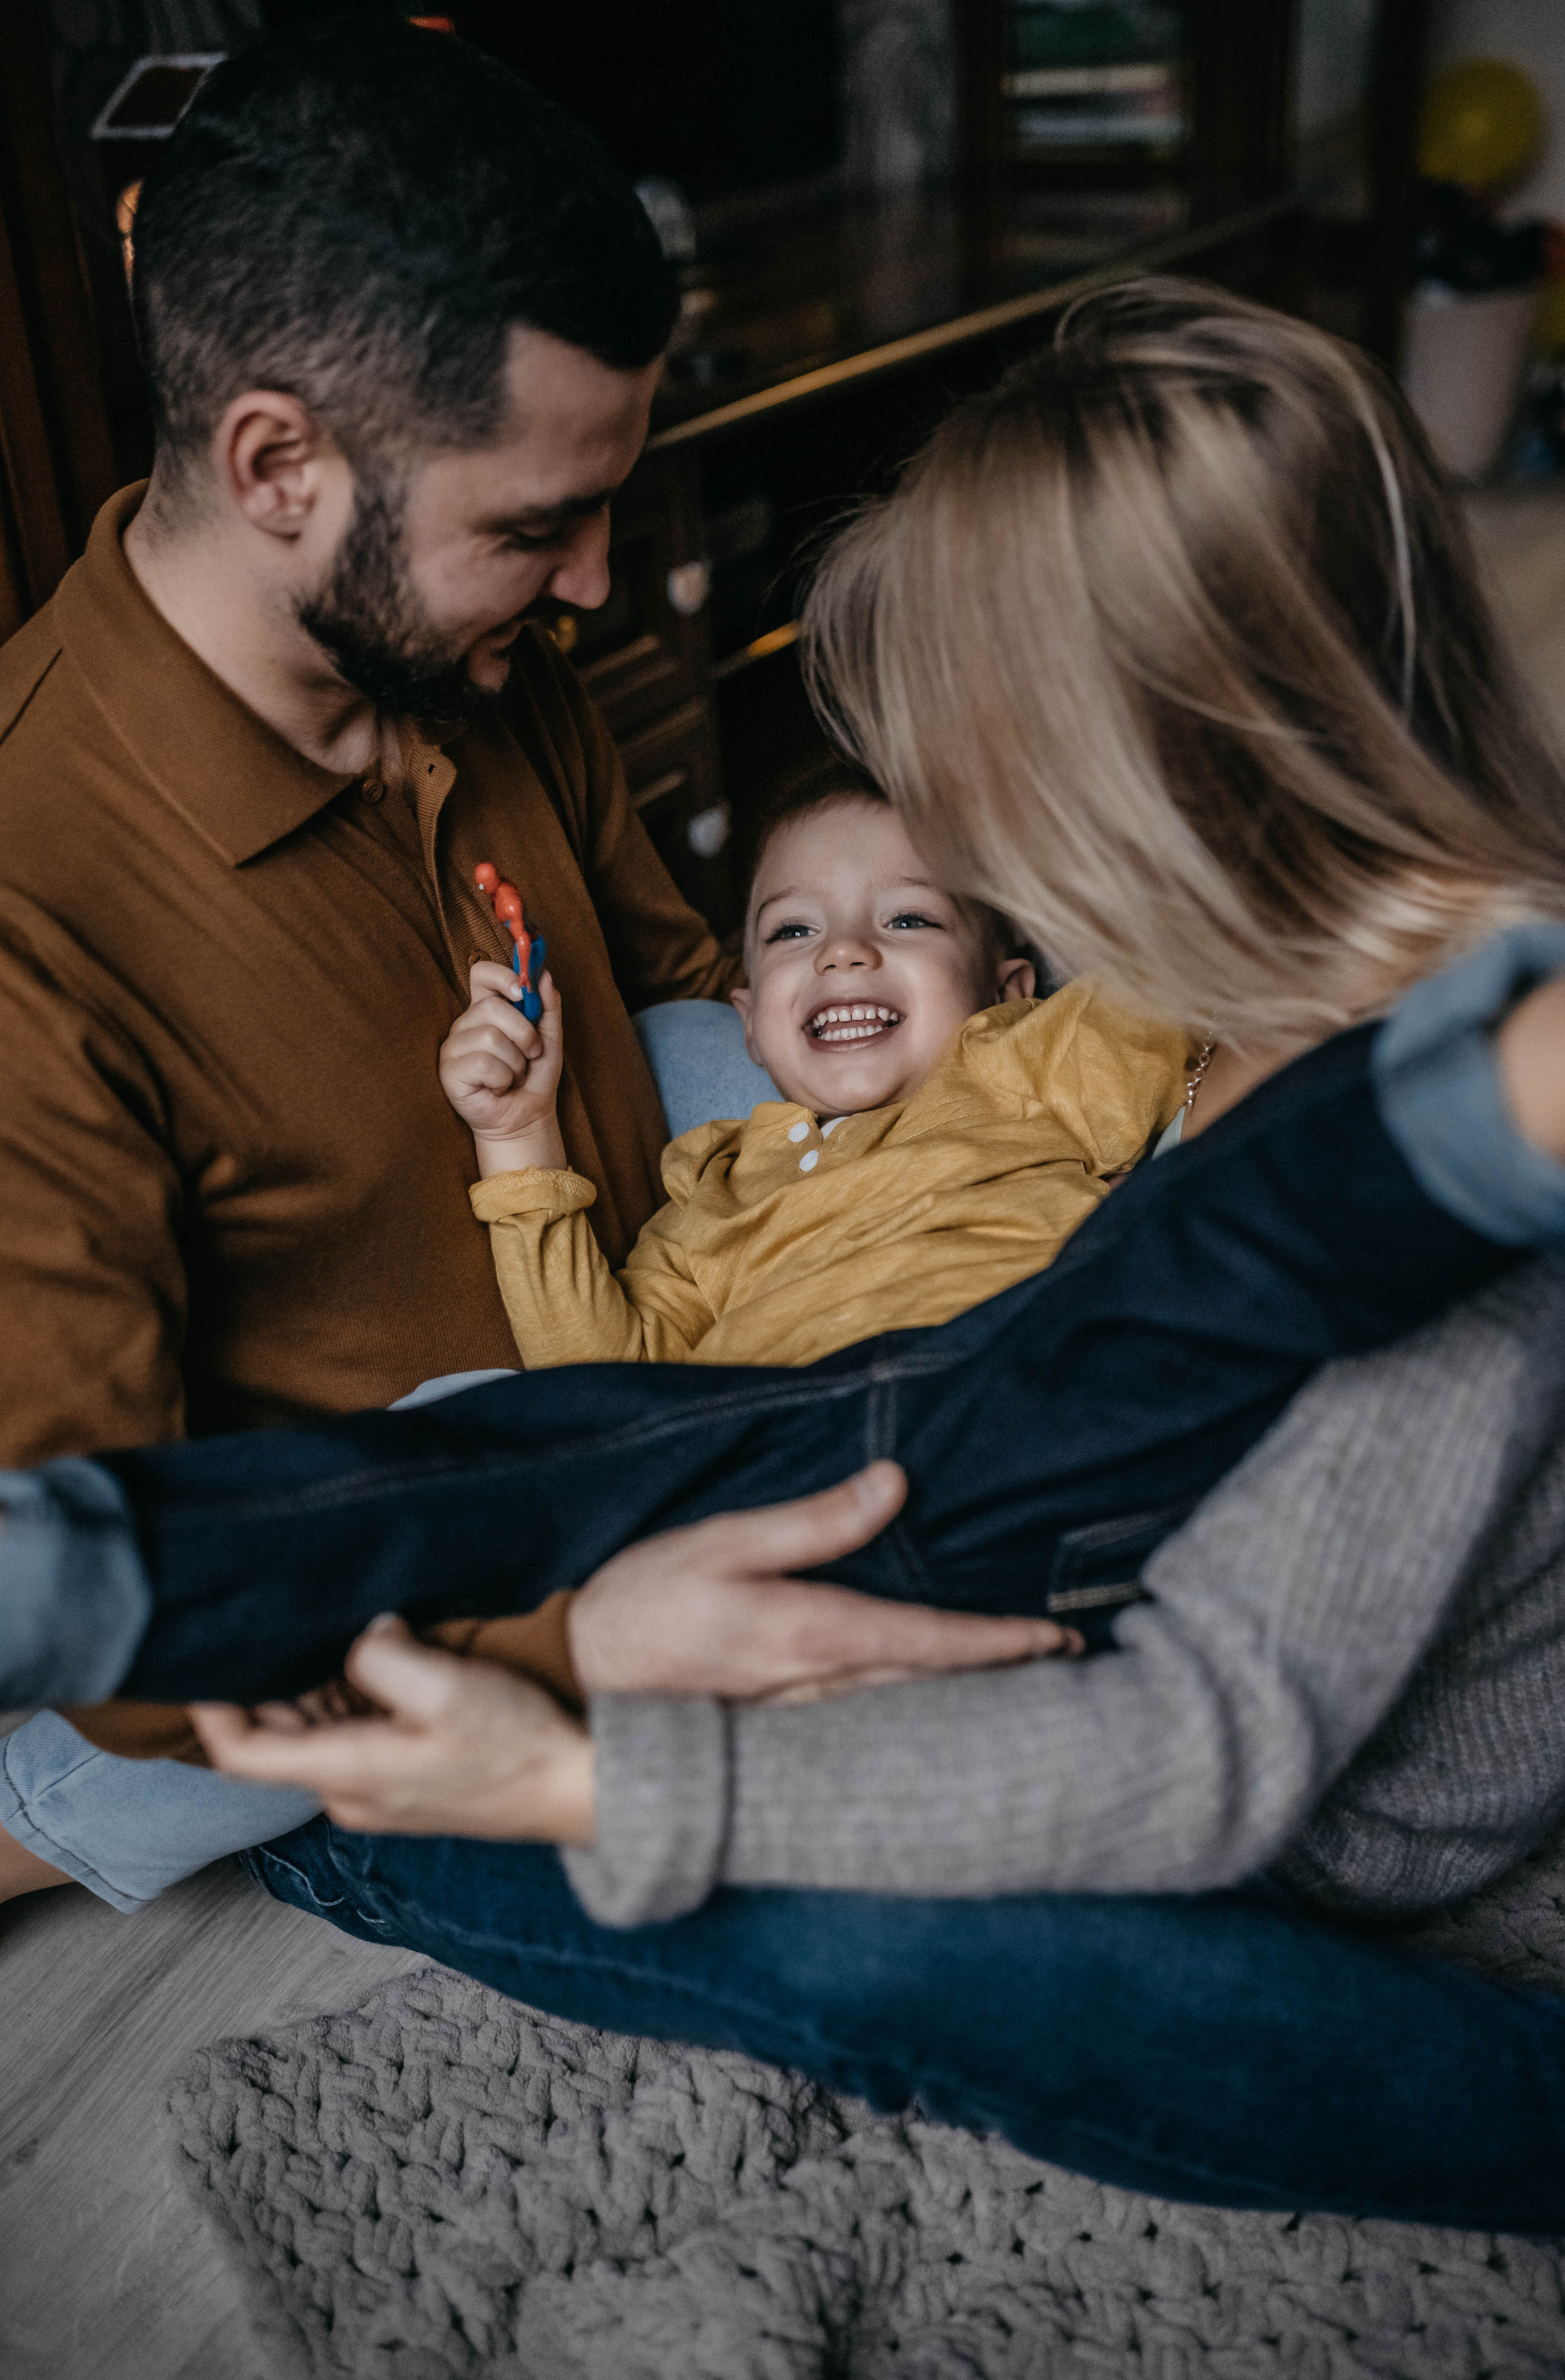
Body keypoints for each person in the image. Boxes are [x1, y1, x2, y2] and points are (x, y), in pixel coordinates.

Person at [10, 283, 1565, 2225]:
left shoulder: (1406, 1160)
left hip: (1281, 1772)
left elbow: (1194, 1755)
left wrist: (587, 1777)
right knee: (643, 1436)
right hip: (1070, 1484)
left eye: (972, 810)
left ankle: (292, 1746)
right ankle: (169, 1585)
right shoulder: (1278, 994)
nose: (957, 850)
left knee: (540, 1810)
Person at [0, 21, 1003, 1907]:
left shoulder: (468, 659)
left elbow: (690, 1000)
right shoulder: (30, 903)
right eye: (536, 525)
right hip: (396, 1619)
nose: (599, 583)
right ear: (279, 462)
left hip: (665, 1349)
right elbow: (99, 1593)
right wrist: (587, 1647)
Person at [441, 767, 1188, 1370]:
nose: (843, 951)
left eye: (908, 918)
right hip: (798, 1452)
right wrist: (518, 1133)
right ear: (749, 1024)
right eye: (793, 930)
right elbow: (609, 1377)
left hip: (1011, 1373)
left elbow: (1205, 965)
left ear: (1009, 991)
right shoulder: (709, 1194)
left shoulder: (1031, 1059)